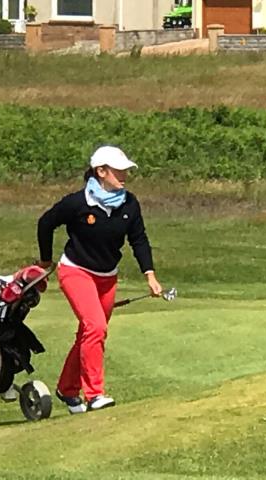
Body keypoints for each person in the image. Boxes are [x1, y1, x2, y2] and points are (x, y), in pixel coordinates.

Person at [35, 145, 163, 414]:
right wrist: (45, 261)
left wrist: (149, 274)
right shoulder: (77, 203)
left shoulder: (129, 203)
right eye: (119, 170)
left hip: (107, 277)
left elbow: (138, 239)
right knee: (95, 328)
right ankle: (95, 394)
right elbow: (45, 223)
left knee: (89, 333)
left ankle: (68, 389)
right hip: (76, 271)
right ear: (101, 172)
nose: (124, 175)